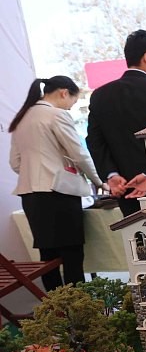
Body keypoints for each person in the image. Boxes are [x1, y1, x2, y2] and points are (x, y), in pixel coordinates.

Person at [9, 76, 109, 290]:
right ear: (64, 92)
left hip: (30, 196)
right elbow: (80, 154)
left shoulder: (22, 118)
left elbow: (15, 163)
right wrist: (98, 181)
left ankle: (56, 313)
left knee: (48, 260)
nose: (71, 107)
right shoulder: (57, 115)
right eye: (72, 102)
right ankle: (79, 313)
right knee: (72, 258)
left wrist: (39, 170)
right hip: (58, 194)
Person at [87, 29, 146, 216]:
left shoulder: (100, 96)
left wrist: (111, 175)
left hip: (124, 190)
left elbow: (95, 142)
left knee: (138, 242)